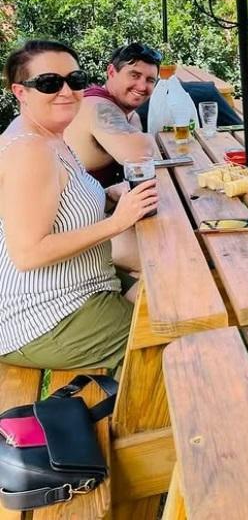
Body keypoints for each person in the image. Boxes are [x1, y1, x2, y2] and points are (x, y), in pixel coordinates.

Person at [0, 40, 157, 370]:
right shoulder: (30, 150)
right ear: (20, 91)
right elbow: (29, 253)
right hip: (46, 317)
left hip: (85, 288)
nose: (66, 91)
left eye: (75, 79)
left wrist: (106, 194)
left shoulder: (52, 135)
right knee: (174, 343)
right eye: (49, 83)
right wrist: (117, 221)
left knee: (172, 284)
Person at [65, 42, 161, 189]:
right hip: (67, 209)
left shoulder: (129, 114)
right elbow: (140, 155)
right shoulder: (97, 106)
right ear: (111, 72)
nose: (142, 86)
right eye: (134, 75)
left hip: (101, 202)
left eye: (150, 80)